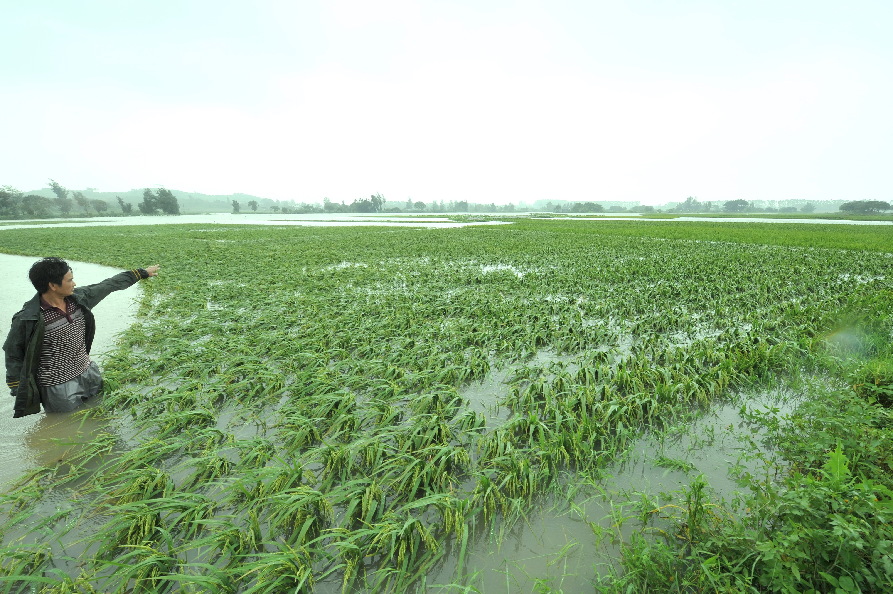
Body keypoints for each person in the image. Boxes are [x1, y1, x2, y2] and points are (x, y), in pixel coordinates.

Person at [3, 258, 160, 418]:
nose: (74, 284)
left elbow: (109, 284)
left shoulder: (79, 299)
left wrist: (141, 273)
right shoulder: (28, 319)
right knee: (67, 424)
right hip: (58, 386)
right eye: (70, 280)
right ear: (53, 285)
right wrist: (20, 389)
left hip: (89, 374)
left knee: (100, 415)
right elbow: (12, 353)